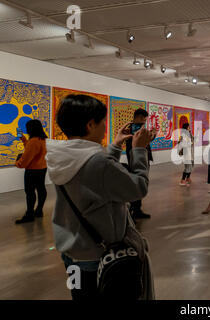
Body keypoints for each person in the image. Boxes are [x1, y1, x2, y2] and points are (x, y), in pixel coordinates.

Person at [46, 94, 154, 300]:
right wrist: (139, 151)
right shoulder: (99, 163)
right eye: (103, 122)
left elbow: (95, 176)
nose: (105, 127)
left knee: (79, 295)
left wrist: (114, 146)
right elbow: (138, 188)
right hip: (99, 257)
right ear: (90, 125)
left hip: (71, 253)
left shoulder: (59, 157)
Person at [125, 108, 156, 220]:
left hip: (140, 157)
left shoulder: (134, 129)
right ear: (138, 117)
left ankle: (137, 209)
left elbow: (144, 141)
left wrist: (152, 135)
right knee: (138, 183)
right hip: (137, 159)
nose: (144, 121)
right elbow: (141, 141)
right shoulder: (133, 129)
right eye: (143, 118)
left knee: (140, 182)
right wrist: (152, 134)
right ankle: (134, 208)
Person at [14, 120, 48, 224]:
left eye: (27, 127)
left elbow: (24, 161)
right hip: (42, 168)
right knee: (41, 188)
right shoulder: (43, 139)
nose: (27, 130)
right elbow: (31, 148)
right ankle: (39, 210)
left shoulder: (33, 141)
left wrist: (17, 162)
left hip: (32, 171)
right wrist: (23, 139)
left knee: (30, 192)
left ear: (31, 129)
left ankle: (29, 215)